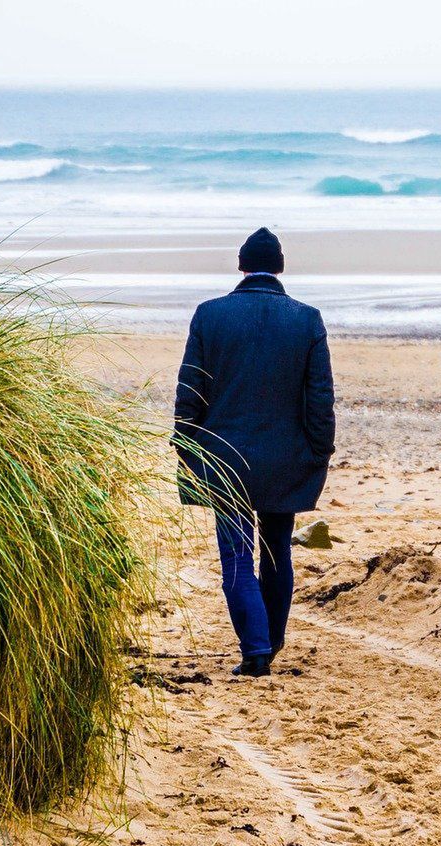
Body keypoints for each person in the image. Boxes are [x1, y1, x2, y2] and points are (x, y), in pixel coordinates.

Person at [173, 227, 336, 677]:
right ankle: (272, 638)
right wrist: (320, 451)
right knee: (277, 551)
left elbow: (190, 389)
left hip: (224, 459)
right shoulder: (307, 318)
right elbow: (320, 397)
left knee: (237, 557)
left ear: (241, 266)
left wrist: (183, 442)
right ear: (280, 268)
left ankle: (256, 649)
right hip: (286, 460)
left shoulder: (210, 315)